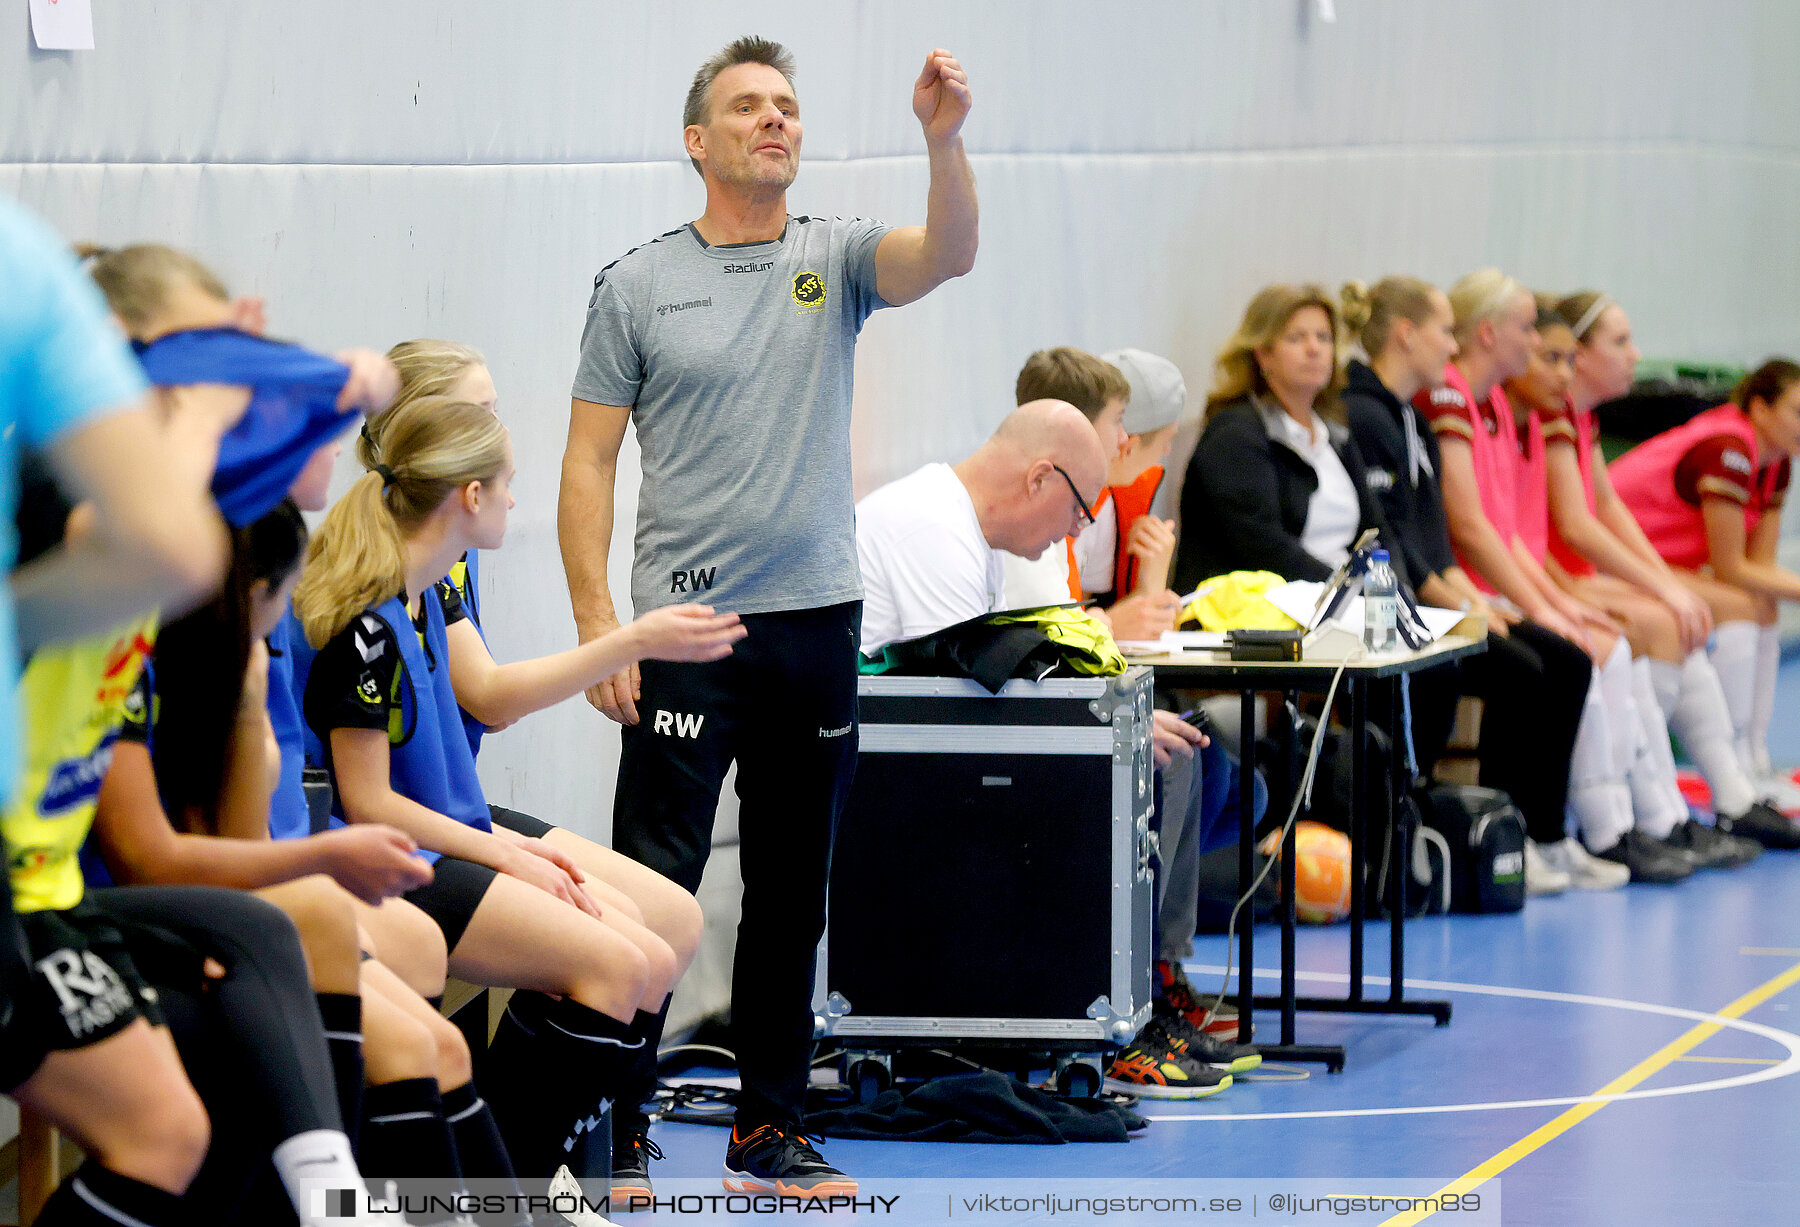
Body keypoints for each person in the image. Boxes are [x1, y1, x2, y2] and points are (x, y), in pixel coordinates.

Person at [557, 35, 976, 1199]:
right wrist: (602, 624)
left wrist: (943, 140)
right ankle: (617, 1126)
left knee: (794, 888)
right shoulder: (636, 285)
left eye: (788, 107)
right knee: (654, 881)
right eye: (749, 108)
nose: (775, 122)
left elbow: (949, 253)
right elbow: (587, 467)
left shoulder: (832, 257)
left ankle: (768, 1132)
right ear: (700, 142)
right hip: (686, 635)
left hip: (814, 626)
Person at [295, 396, 740, 1194]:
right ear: (467, 496)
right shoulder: (367, 616)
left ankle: (510, 1178)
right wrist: (506, 852)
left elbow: (485, 709)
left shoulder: (426, 593)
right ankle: (504, 1186)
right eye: (506, 484)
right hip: (396, 854)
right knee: (617, 961)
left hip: (447, 828)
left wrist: (507, 847)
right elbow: (370, 806)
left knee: (655, 935)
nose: (513, 501)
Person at [856, 400, 1258, 1098]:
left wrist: (1119, 722)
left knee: (1178, 755)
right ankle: (1118, 1005)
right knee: (1149, 771)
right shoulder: (933, 527)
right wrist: (1116, 728)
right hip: (900, 790)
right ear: (1042, 478)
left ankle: (1147, 991)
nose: (1076, 530)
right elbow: (965, 694)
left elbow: (986, 680)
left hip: (933, 768)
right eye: (1079, 511)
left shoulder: (966, 526)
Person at [1419, 270, 1682, 884]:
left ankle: (1601, 823)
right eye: (1531, 331)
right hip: (1462, 587)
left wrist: (1552, 602)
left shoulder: (1496, 408)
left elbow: (1506, 533)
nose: (1541, 347)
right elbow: (1473, 529)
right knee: (1563, 656)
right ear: (1489, 332)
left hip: (1495, 582)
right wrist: (1551, 605)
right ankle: (1562, 828)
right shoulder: (1454, 399)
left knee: (1579, 650)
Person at [1339, 277, 1597, 893]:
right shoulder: (1363, 415)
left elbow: (1434, 540)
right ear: (1406, 333)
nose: (1451, 346)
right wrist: (1459, 603)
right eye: (1444, 331)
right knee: (1518, 670)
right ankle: (1490, 828)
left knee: (1566, 659)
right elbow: (1390, 542)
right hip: (1385, 605)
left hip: (1428, 592)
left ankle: (1544, 833)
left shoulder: (1410, 420)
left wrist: (1473, 600)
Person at [1506, 301, 1777, 859]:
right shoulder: (1548, 416)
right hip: (1561, 573)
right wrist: (1663, 587)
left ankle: (1707, 796)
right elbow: (1572, 526)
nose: (1635, 356)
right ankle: (1639, 813)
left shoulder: (1576, 417)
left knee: (1678, 619)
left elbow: (1602, 506)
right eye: (1621, 342)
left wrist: (1665, 585)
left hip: (1574, 571)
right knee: (1663, 624)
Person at [1610, 354, 1800, 847]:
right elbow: (1732, 568)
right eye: (1797, 411)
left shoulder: (1775, 463)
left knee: (1761, 606)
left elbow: (1752, 570)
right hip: (1624, 559)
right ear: (1759, 407)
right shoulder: (1727, 448)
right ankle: (1733, 761)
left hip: (1667, 565)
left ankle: (1754, 758)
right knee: (1742, 605)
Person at [1174, 284, 1401, 593]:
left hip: (1338, 601)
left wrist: (1394, 592)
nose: (1314, 349)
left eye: (1324, 338)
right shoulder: (1235, 434)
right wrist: (1349, 589)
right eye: (1296, 338)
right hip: (1257, 614)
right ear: (1263, 353)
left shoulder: (1334, 433)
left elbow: (1377, 531)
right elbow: (1264, 549)